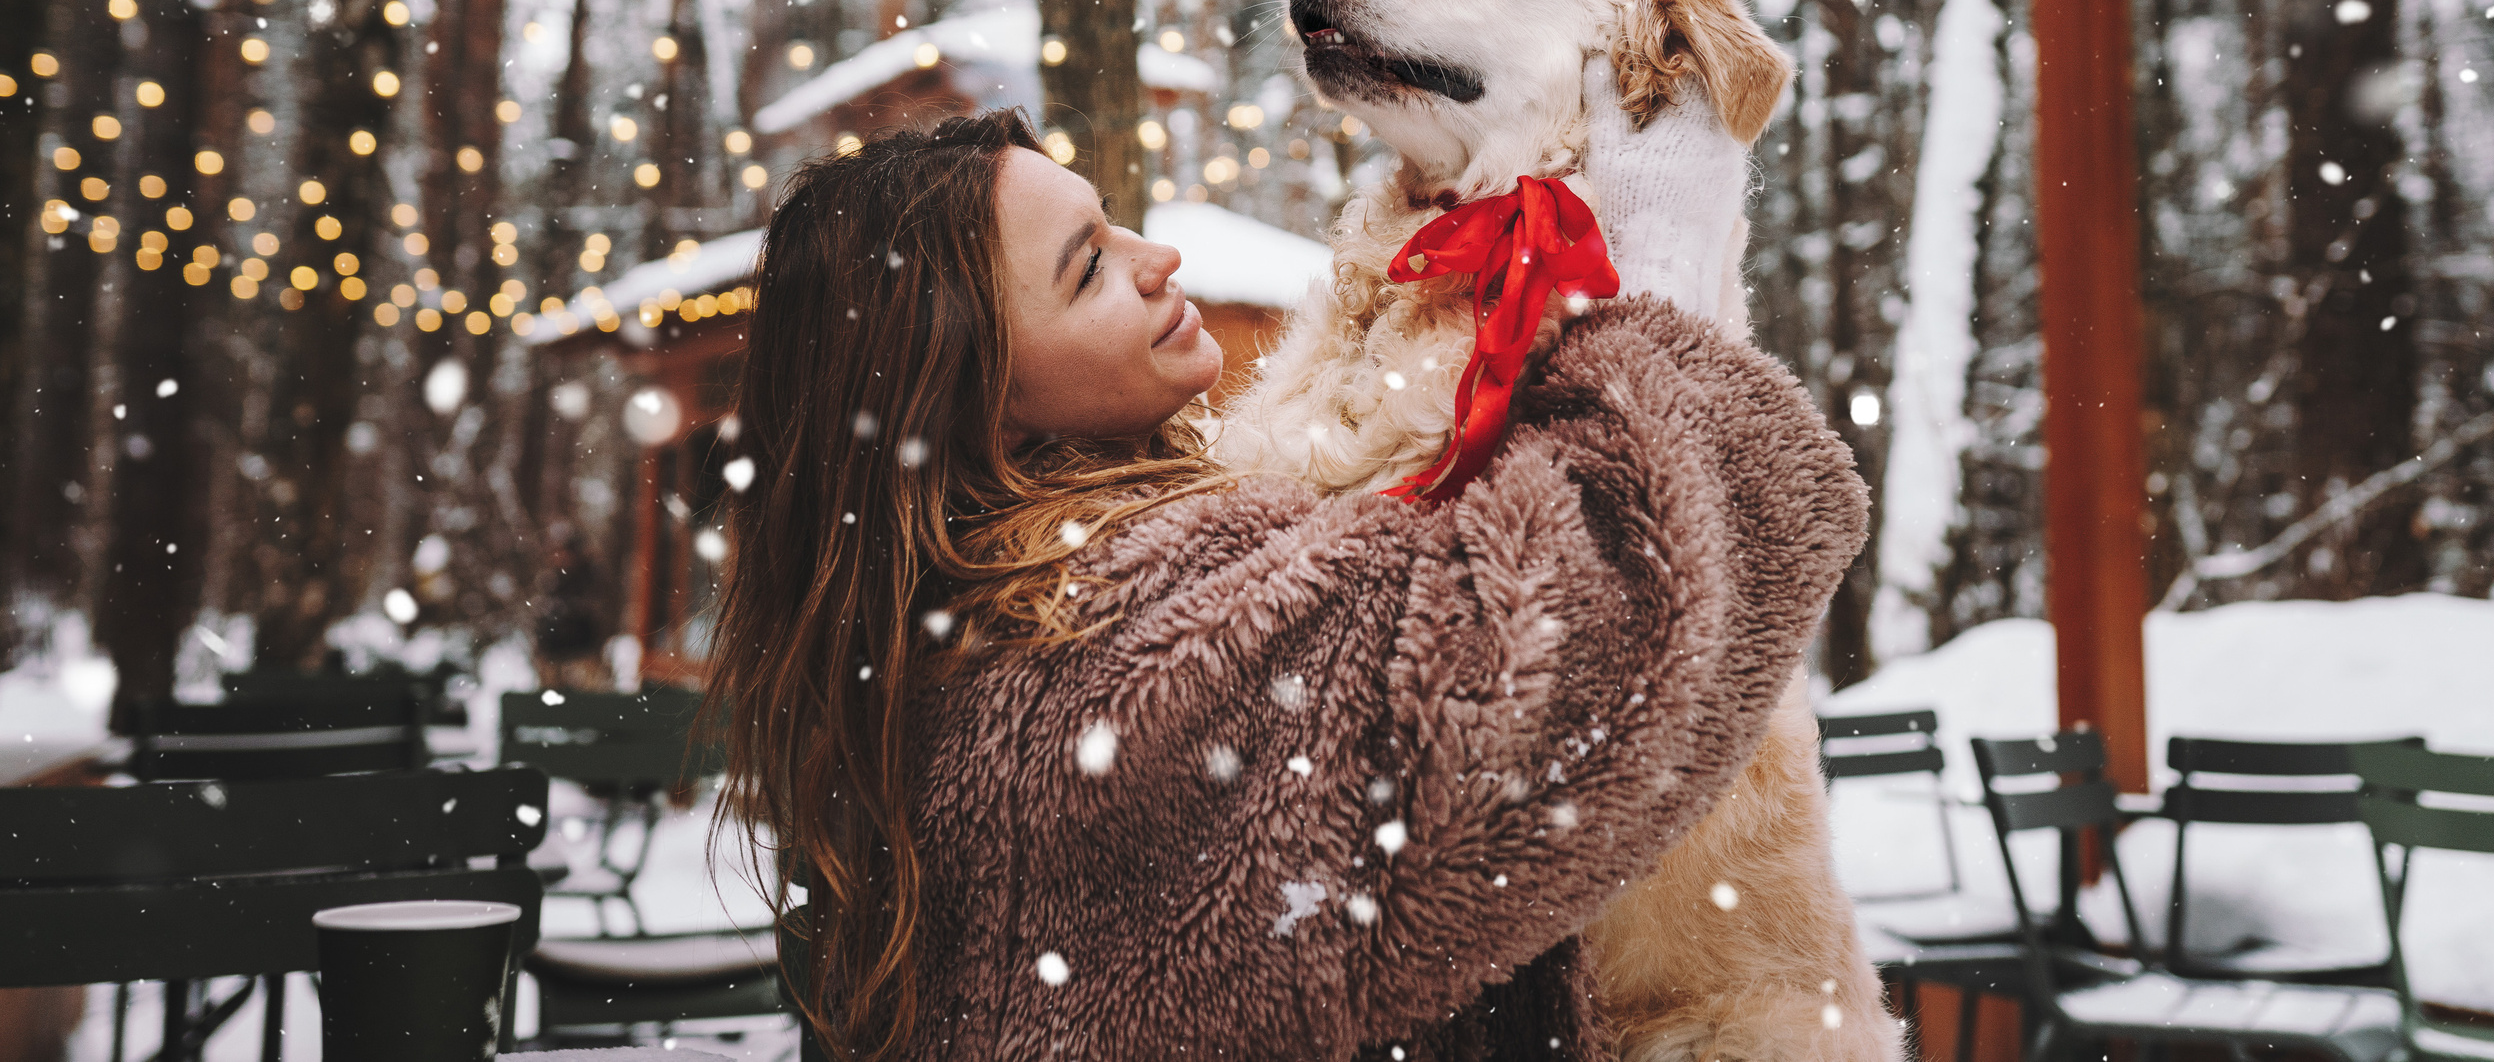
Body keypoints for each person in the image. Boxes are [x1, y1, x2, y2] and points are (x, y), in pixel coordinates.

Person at [703, 76, 1867, 1061]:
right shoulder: (1086, 650)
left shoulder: (975, 617)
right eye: (1085, 270)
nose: (1157, 258)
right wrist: (1660, 273)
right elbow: (1557, 663)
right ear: (970, 400)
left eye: (1112, 223)